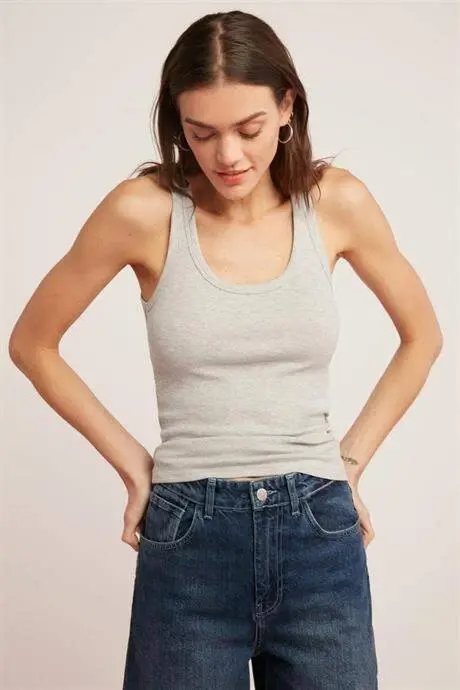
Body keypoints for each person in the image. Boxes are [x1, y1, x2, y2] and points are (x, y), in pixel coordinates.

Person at [8, 9, 443, 690]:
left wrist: (350, 464)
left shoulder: (337, 203)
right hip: (190, 538)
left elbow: (423, 337)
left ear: (287, 108)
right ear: (176, 124)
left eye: (249, 128)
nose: (228, 156)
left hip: (318, 534)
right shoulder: (143, 211)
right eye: (201, 133)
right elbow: (33, 343)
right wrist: (136, 467)